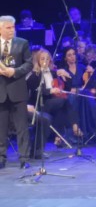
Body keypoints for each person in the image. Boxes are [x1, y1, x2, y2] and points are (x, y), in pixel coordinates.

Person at [0, 15, 33, 169]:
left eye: (13, 27)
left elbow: (29, 64)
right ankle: (1, 158)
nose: (12, 30)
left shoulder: (22, 43)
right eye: (8, 28)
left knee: (22, 127)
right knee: (1, 128)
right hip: (1, 92)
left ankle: (24, 158)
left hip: (18, 91)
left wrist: (14, 71)